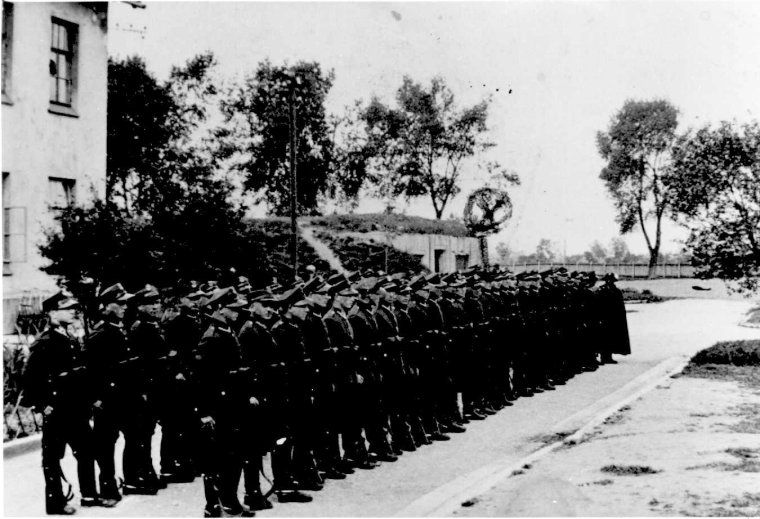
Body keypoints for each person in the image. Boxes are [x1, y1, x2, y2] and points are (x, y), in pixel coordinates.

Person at [23, 291, 116, 514]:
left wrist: (91, 398)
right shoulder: (44, 343)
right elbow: (30, 378)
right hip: (57, 410)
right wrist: (41, 404)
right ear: (53, 313)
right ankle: (55, 503)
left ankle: (90, 495)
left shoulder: (69, 337)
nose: (74, 311)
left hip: (77, 408)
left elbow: (79, 374)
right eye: (67, 308)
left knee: (87, 452)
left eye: (74, 307)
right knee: (53, 458)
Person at [84, 283, 134, 502]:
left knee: (134, 437)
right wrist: (94, 398)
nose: (125, 307)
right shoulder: (100, 334)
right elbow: (90, 370)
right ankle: (108, 489)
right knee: (105, 447)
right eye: (120, 303)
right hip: (107, 399)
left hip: (124, 397)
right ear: (107, 306)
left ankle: (131, 480)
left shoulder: (119, 328)